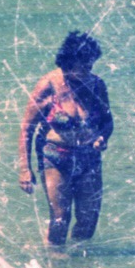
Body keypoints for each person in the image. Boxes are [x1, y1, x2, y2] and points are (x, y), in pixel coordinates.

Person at [17, 31, 113, 247]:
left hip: (89, 159)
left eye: (91, 65)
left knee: (88, 223)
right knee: (60, 220)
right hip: (56, 157)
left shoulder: (97, 85)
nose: (89, 70)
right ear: (70, 62)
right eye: (84, 66)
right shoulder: (48, 85)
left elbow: (108, 121)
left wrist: (102, 137)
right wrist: (25, 168)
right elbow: (26, 129)